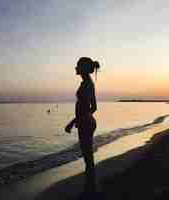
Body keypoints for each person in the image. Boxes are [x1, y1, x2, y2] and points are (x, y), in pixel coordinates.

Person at [65, 57, 100, 194]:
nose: (75, 68)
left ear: (83, 68)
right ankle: (90, 187)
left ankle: (90, 189)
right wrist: (78, 120)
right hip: (87, 122)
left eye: (78, 66)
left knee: (87, 157)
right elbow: (94, 107)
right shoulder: (88, 83)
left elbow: (87, 108)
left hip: (86, 123)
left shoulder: (87, 84)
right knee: (88, 156)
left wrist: (74, 121)